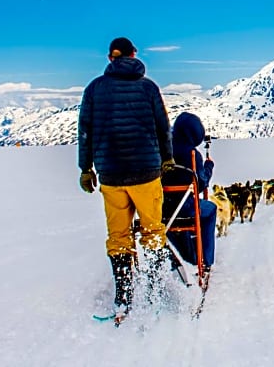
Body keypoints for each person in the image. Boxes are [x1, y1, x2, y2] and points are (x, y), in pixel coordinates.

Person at [77, 36, 175, 321]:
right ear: (134, 55)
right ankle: (154, 291)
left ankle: (123, 298)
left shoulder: (94, 89)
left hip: (111, 175)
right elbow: (162, 127)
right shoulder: (148, 87)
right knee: (153, 231)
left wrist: (86, 168)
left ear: (110, 58)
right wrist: (167, 159)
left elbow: (85, 131)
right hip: (146, 172)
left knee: (118, 237)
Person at [166, 112, 217, 272]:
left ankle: (180, 253)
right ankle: (205, 260)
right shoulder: (192, 155)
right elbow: (201, 184)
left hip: (159, 208)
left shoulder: (160, 149)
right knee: (210, 209)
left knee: (172, 220)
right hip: (185, 208)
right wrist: (209, 167)